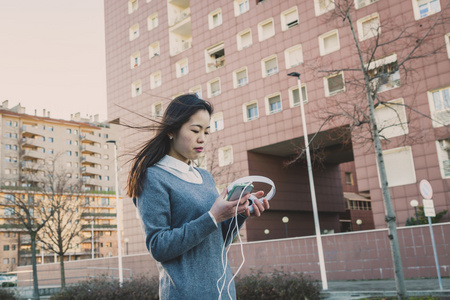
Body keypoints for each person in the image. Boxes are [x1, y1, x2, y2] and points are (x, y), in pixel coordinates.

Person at [127, 94, 270, 300]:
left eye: (206, 131)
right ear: (171, 131)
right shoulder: (153, 177)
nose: (202, 138)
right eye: (195, 130)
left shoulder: (205, 176)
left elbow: (217, 240)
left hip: (224, 293)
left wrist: (240, 213)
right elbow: (158, 246)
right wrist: (212, 216)